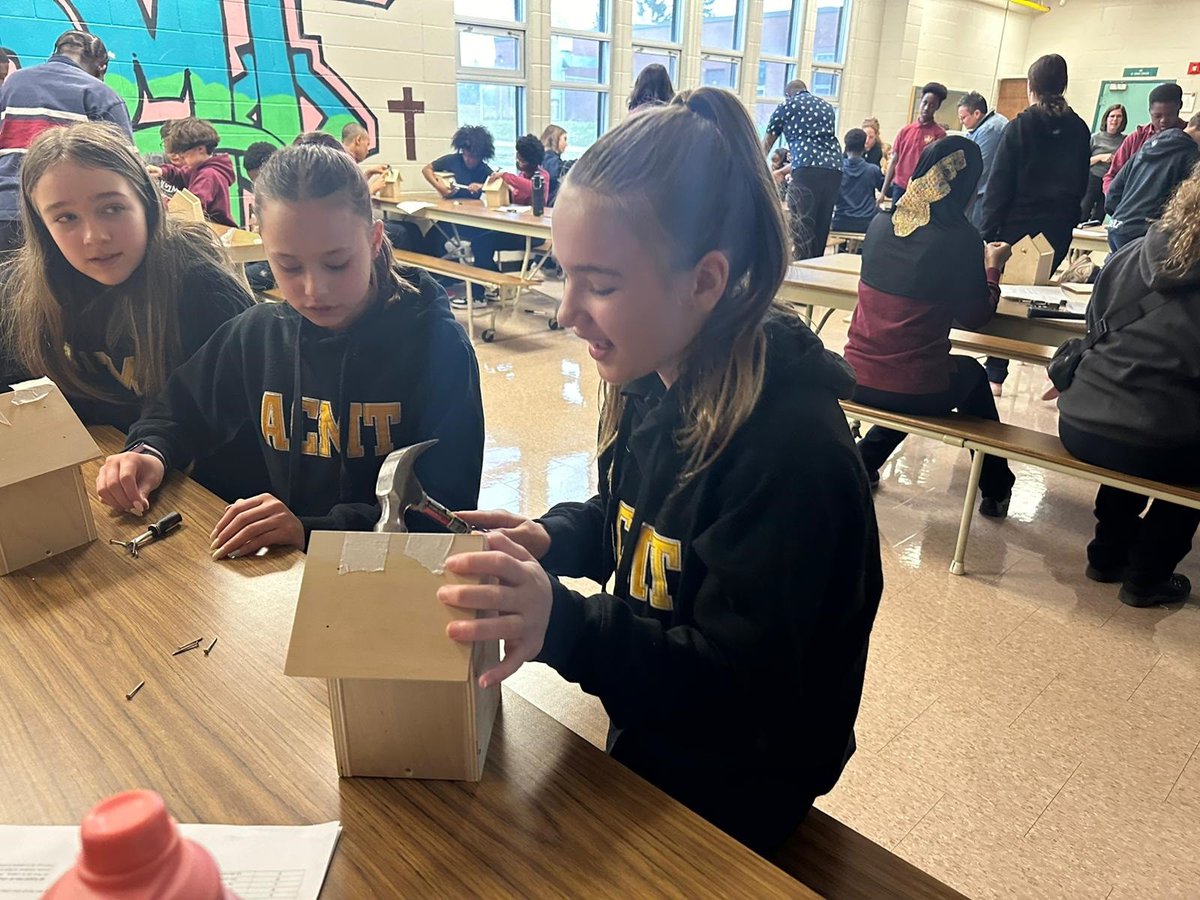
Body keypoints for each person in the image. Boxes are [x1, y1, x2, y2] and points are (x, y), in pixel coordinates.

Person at [437, 87, 882, 855]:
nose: (567, 309)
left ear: (706, 281)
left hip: (742, 790)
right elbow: (634, 523)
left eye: (601, 284)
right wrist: (554, 537)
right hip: (660, 734)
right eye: (563, 272)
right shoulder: (657, 379)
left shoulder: (790, 456)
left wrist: (565, 626)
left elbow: (743, 696)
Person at [95, 143, 484, 559]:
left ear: (373, 240)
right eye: (290, 267)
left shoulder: (438, 347)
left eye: (337, 263)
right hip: (283, 574)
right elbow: (176, 411)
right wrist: (149, 453)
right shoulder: (257, 334)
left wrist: (311, 531)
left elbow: (443, 512)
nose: (315, 290)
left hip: (389, 578)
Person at [0, 122, 256, 499]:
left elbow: (242, 429)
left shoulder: (204, 288)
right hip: (87, 488)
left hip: (199, 498)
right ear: (42, 226)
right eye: (65, 217)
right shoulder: (20, 295)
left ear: (147, 203)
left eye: (112, 208)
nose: (95, 237)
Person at [845, 136, 1016, 515]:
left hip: (857, 374)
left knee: (912, 375)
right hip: (911, 385)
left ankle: (863, 459)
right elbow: (976, 317)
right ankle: (996, 487)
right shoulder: (960, 238)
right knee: (963, 375)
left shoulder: (879, 224)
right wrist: (993, 267)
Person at [1055, 169, 1200, 607]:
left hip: (1081, 420)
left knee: (1140, 419)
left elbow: (1093, 325)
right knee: (1176, 447)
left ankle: (1107, 554)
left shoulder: (1135, 250)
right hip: (1153, 434)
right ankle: (1148, 575)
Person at [980, 54, 1089, 395]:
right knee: (1041, 295)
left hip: (1017, 224)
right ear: (1064, 86)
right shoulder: (1080, 128)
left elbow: (999, 182)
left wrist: (987, 230)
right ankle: (1057, 368)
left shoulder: (1021, 125)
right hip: (1057, 226)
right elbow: (1082, 183)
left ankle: (996, 371)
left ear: (1031, 88)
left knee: (1009, 296)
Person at [0, 31, 133, 252]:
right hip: (57, 218)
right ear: (102, 67)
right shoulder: (101, 94)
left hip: (4, 209)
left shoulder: (12, 84)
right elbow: (126, 172)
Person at [462, 134, 551, 307]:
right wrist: (486, 186)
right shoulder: (522, 174)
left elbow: (530, 188)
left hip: (533, 234)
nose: (518, 161)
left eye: (521, 158)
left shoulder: (542, 177)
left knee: (482, 243)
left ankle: (489, 290)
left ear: (531, 160)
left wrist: (505, 177)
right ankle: (493, 288)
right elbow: (514, 194)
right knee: (480, 242)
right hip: (516, 230)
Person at [763, 79, 842, 260]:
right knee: (821, 227)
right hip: (834, 168)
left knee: (802, 227)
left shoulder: (786, 106)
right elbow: (817, 152)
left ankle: (803, 274)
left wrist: (757, 171)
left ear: (787, 94)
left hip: (807, 172)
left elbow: (765, 146)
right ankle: (817, 269)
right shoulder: (827, 107)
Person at [1105, 113, 1200, 252]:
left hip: (1117, 228)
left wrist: (1123, 218)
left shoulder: (1146, 147)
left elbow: (1113, 192)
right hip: (1146, 235)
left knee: (1116, 271)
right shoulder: (1191, 157)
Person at [150, 117, 236, 227]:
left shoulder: (208, 175)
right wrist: (162, 171)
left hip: (216, 230)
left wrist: (162, 202)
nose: (181, 157)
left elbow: (190, 207)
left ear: (200, 149)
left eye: (184, 153)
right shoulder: (197, 168)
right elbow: (180, 174)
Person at [1103, 83, 1186, 194]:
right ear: (1149, 110)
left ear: (1179, 106)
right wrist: (1115, 201)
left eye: (1170, 115)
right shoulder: (1136, 138)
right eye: (1157, 116)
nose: (1163, 121)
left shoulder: (1188, 139)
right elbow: (1111, 175)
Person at [881, 83, 947, 205]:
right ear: (920, 101)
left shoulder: (939, 135)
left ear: (937, 107)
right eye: (925, 103)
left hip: (922, 191)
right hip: (900, 187)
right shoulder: (905, 131)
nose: (927, 108)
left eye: (932, 105)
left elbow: (938, 168)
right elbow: (894, 161)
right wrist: (883, 192)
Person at [957, 91, 1008, 230]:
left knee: (974, 234)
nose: (961, 122)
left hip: (983, 194)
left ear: (977, 113)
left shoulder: (990, 129)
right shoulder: (991, 122)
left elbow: (979, 167)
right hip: (984, 193)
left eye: (963, 118)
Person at [830, 128, 882, 236]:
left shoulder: (837, 170)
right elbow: (886, 190)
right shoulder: (873, 170)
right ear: (864, 147)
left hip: (840, 221)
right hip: (865, 223)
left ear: (846, 147)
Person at [1080, 103, 1126, 224]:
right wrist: (1100, 157)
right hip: (1093, 178)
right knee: (1084, 208)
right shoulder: (1095, 138)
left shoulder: (1125, 140)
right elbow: (1083, 161)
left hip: (1112, 180)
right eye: (1112, 116)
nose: (1115, 119)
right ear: (1106, 118)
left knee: (1100, 213)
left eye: (1119, 116)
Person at [422, 125, 494, 200]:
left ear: (480, 156)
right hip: (449, 205)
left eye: (471, 156)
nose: (467, 159)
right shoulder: (452, 160)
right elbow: (426, 169)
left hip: (472, 208)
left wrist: (481, 186)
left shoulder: (483, 169)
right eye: (464, 154)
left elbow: (496, 187)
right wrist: (439, 187)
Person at [341, 121, 387, 195]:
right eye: (367, 144)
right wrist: (373, 188)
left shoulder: (341, 159)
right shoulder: (344, 164)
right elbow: (350, 198)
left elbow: (353, 187)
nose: (368, 151)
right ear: (358, 140)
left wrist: (368, 173)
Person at [540, 124, 568, 206]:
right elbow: (553, 175)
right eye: (564, 139)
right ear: (555, 139)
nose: (566, 144)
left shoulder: (544, 156)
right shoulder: (549, 158)